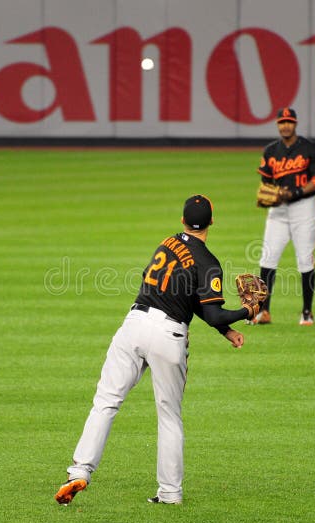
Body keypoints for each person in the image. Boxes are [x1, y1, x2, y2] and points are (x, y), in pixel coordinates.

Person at [55, 195, 258, 506]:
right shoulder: (208, 263)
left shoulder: (167, 243)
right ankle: (169, 493)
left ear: (182, 221)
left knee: (106, 402)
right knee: (169, 416)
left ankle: (79, 471)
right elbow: (213, 311)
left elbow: (194, 302)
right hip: (168, 336)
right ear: (212, 222)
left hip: (134, 325)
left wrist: (225, 330)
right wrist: (245, 311)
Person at [250, 107, 315, 326]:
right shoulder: (271, 151)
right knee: (267, 258)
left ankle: (307, 312)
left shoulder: (310, 149)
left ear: (295, 123)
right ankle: (263, 311)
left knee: (304, 259)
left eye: (289, 122)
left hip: (303, 209)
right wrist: (268, 195)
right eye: (282, 122)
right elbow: (266, 182)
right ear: (277, 125)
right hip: (278, 211)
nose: (285, 125)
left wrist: (294, 193)